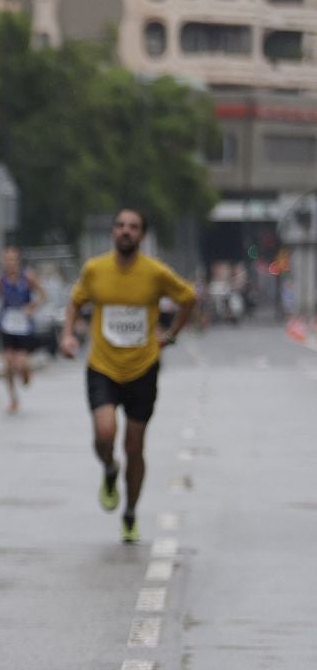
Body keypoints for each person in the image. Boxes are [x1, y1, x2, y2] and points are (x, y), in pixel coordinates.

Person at [59, 208, 196, 544]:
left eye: (133, 227)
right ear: (112, 233)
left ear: (142, 236)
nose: (126, 231)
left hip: (142, 368)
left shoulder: (155, 273)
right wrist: (68, 334)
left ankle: (131, 511)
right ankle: (108, 468)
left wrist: (172, 334)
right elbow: (76, 302)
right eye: (120, 226)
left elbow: (188, 299)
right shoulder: (95, 270)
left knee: (135, 446)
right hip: (103, 366)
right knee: (105, 433)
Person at [0, 245, 45, 414]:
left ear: (18, 261)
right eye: (7, 260)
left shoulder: (27, 277)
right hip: (6, 324)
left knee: (20, 364)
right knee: (7, 364)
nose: (10, 263)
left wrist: (32, 307)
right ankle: (13, 399)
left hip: (23, 326)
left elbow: (43, 295)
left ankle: (26, 372)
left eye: (13, 260)